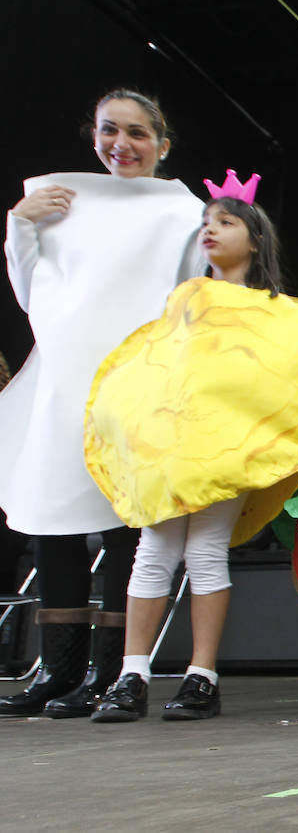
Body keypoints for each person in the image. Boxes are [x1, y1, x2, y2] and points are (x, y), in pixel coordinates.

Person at [85, 172, 298, 721]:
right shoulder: (184, 299)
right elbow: (158, 367)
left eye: (226, 222)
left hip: (230, 446)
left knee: (205, 552)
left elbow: (280, 373)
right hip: (171, 445)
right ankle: (131, 673)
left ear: (254, 239)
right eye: (206, 223)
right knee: (152, 552)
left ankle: (201, 676)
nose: (211, 231)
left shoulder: (275, 312)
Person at [0, 89, 204, 718]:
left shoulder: (185, 213)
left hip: (138, 386)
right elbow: (34, 294)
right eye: (109, 130)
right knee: (53, 525)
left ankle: (113, 670)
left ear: (163, 144)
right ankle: (56, 671)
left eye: (138, 133)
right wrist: (20, 223)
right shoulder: (62, 203)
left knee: (124, 528)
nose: (122, 144)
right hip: (63, 382)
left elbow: (193, 300)